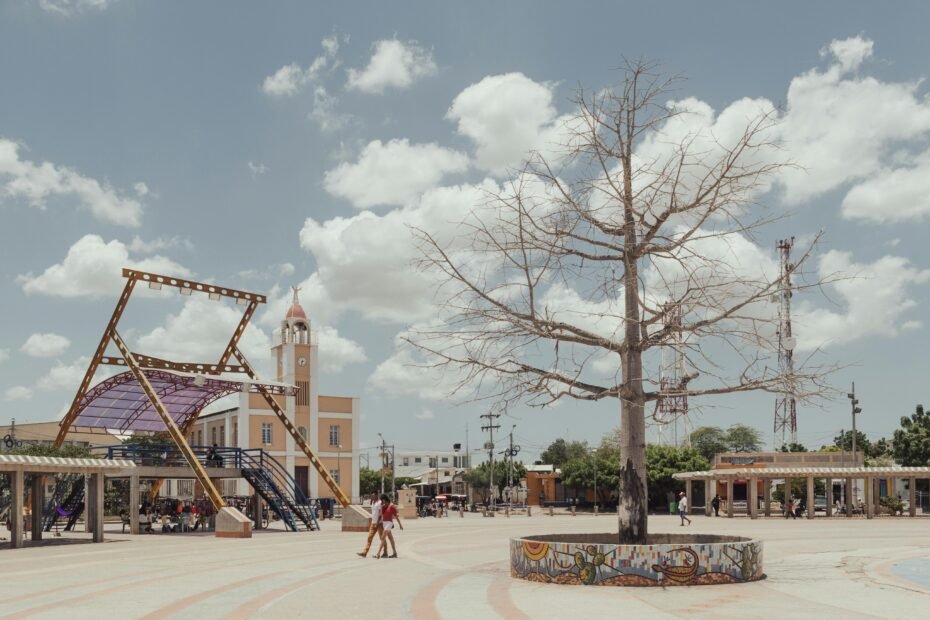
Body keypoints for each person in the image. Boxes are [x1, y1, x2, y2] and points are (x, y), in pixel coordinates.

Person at [375, 494, 403, 559]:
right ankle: (395, 553)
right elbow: (381, 515)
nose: (382, 502)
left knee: (383, 538)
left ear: (385, 499)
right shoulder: (384, 506)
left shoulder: (391, 506)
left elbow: (396, 516)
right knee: (391, 538)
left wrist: (400, 525)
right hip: (384, 523)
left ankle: (378, 554)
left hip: (389, 523)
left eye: (382, 500)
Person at [356, 493, 383, 558]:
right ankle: (365, 553)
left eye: (373, 496)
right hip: (373, 523)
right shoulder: (372, 503)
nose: (372, 497)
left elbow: (380, 514)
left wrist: (377, 522)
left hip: (379, 524)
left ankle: (385, 552)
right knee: (369, 538)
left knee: (382, 538)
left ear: (376, 495)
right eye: (371, 496)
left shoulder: (379, 503)